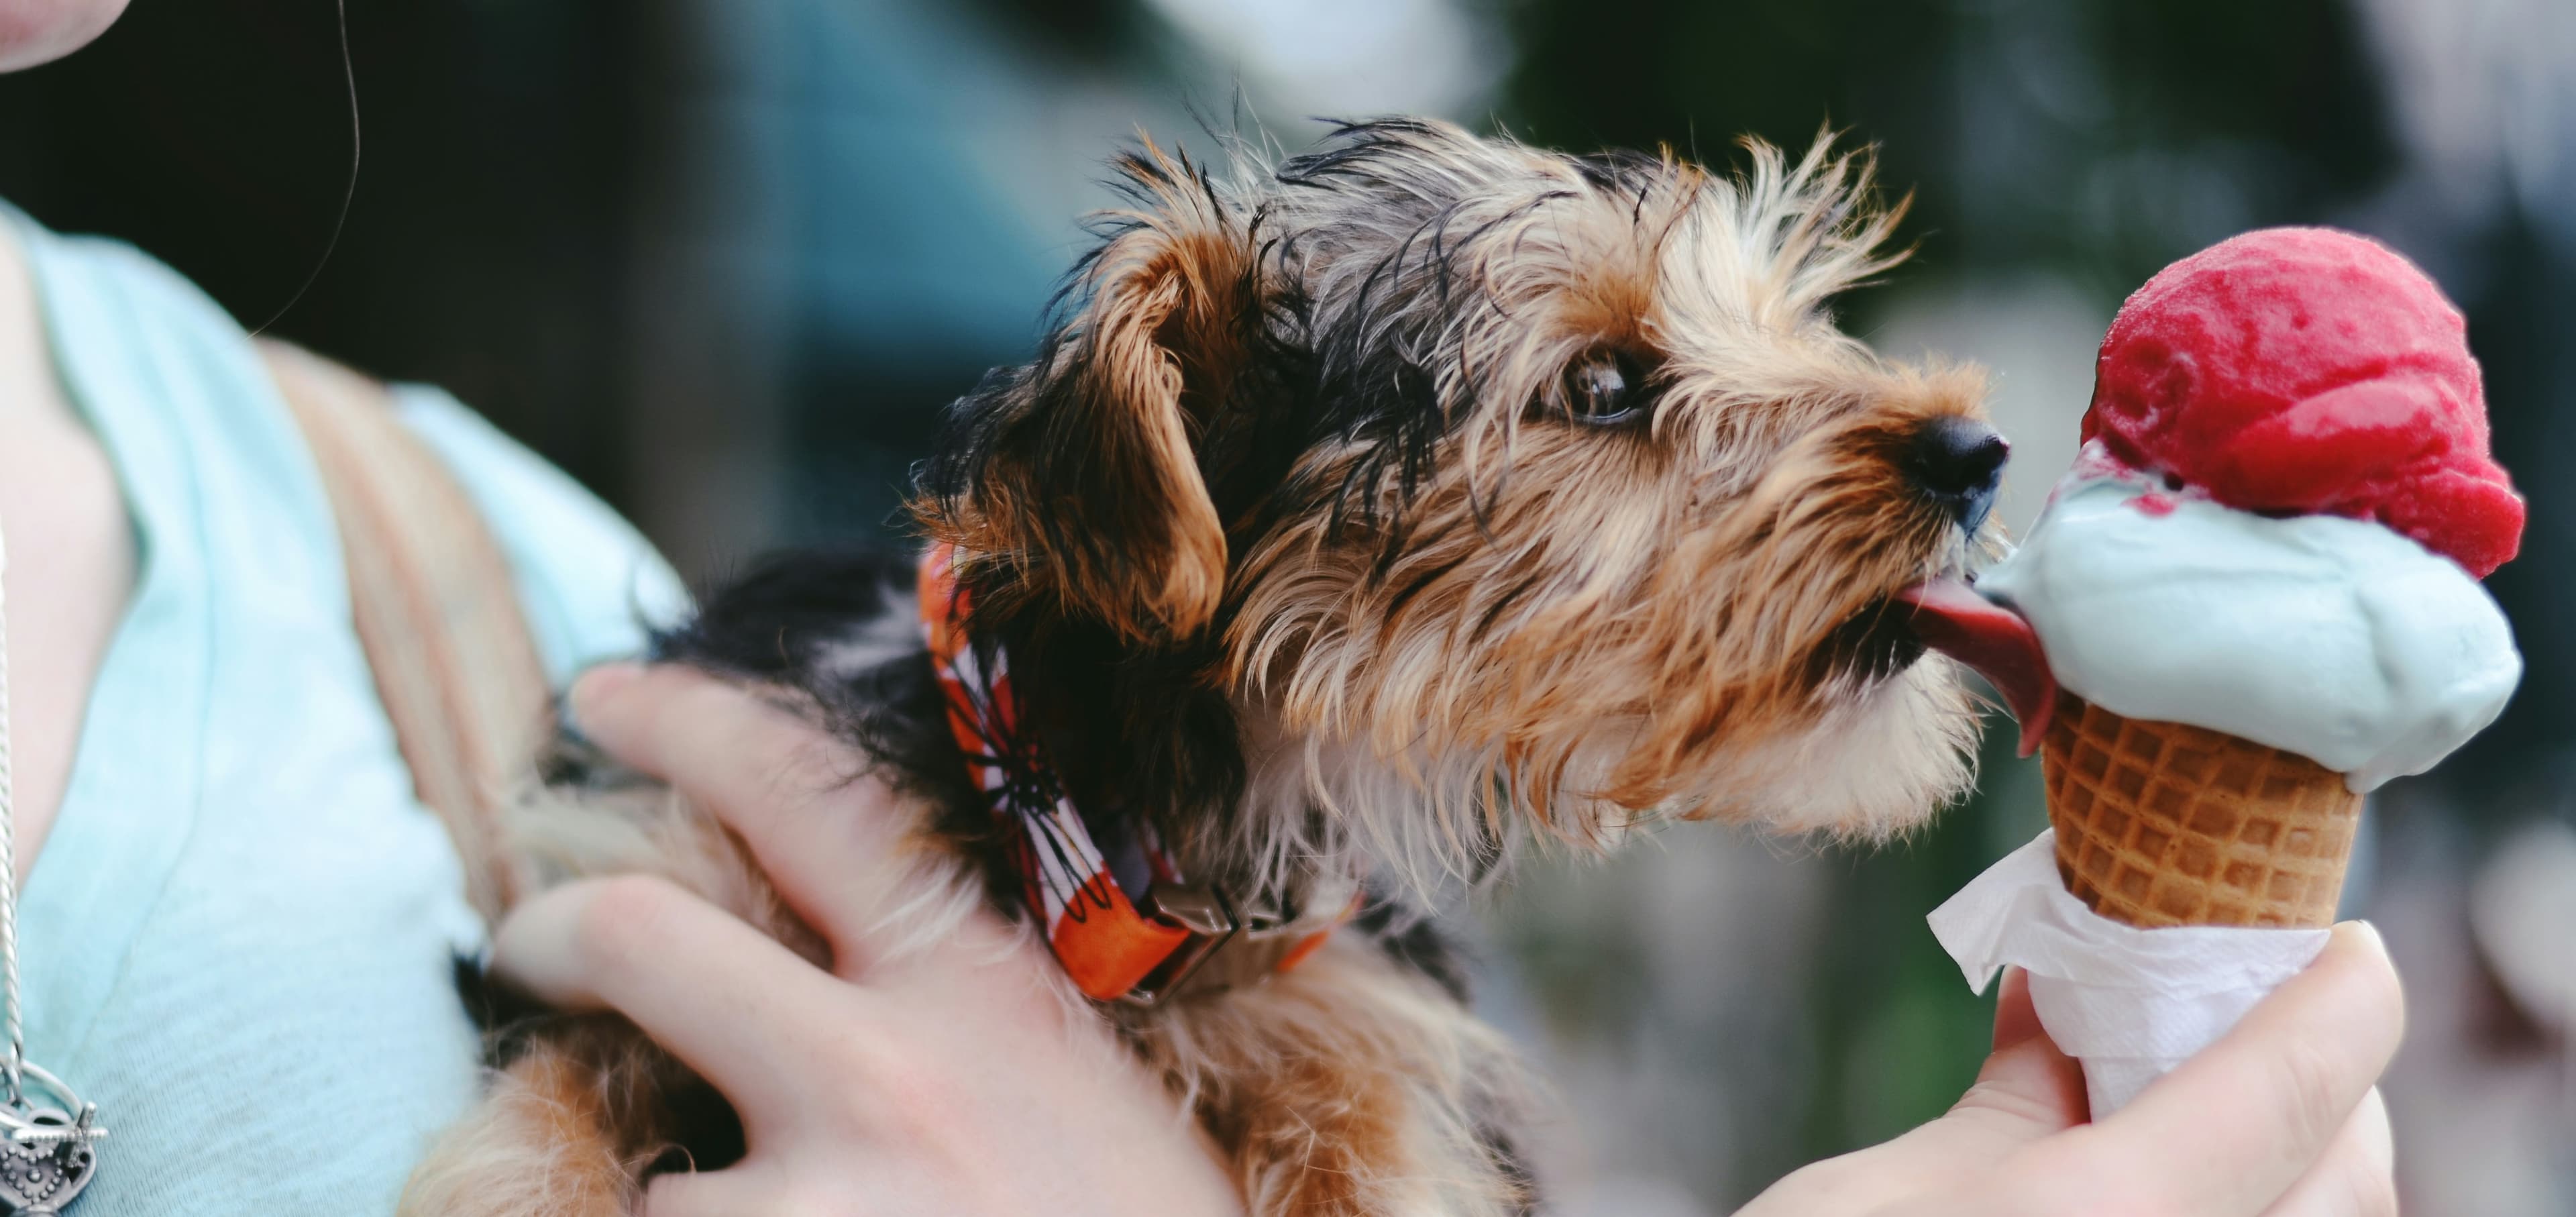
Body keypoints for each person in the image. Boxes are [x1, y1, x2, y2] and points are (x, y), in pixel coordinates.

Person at [0, 3, 2401, 1214]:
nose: (1932, 432)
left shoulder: (473, 584)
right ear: (1182, 481)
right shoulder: (675, 762)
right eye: (1608, 390)